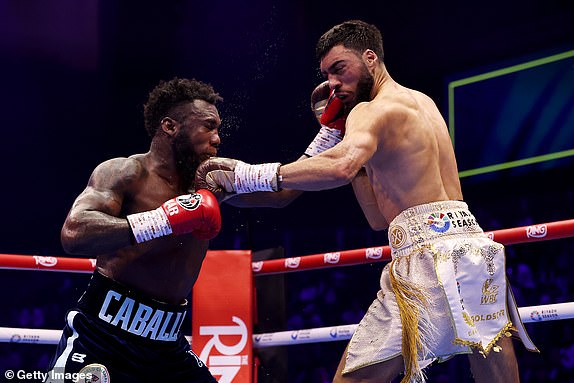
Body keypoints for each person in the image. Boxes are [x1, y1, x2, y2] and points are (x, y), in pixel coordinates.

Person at [194, 20, 538, 383]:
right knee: (494, 371)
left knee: (351, 379)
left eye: (340, 69)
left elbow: (340, 166)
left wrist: (248, 174)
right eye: (327, 75)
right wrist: (338, 132)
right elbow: (377, 216)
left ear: (370, 58)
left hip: (426, 257)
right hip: (472, 248)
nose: (333, 84)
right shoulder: (423, 102)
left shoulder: (369, 111)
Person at [46, 76, 317, 382]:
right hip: (102, 337)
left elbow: (283, 193)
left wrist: (329, 133)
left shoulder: (212, 180)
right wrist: (163, 220)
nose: (217, 138)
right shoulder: (126, 172)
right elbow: (73, 232)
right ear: (170, 127)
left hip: (166, 345)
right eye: (208, 126)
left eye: (218, 128)